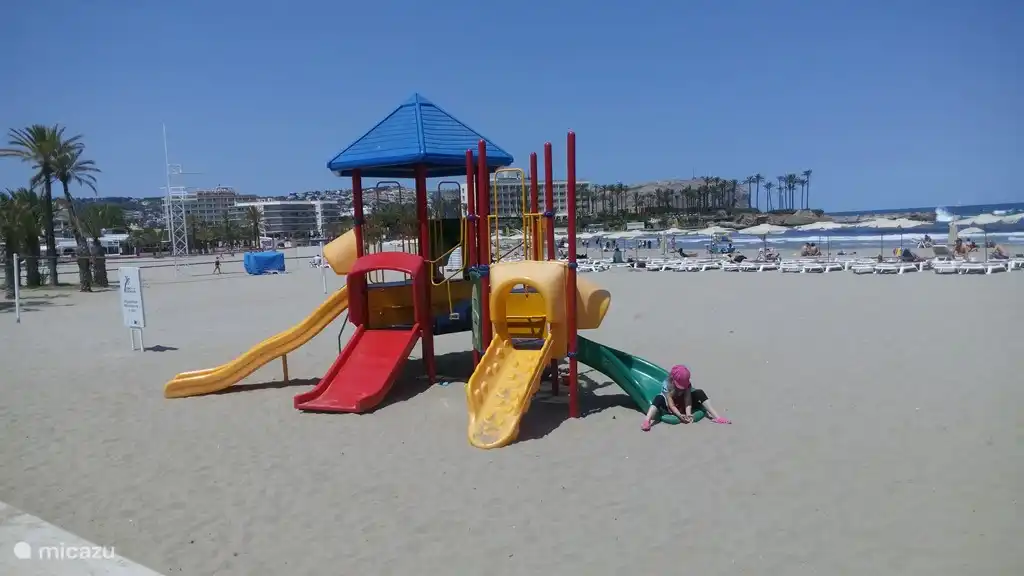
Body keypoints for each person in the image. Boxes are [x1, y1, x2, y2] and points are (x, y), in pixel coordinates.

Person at [641, 364, 731, 431]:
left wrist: (688, 413)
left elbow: (688, 399)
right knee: (658, 398)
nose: (682, 388)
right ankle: (647, 421)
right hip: (670, 405)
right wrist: (679, 415)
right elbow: (671, 404)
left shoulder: (687, 385)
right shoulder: (667, 384)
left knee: (699, 392)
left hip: (682, 403)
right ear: (673, 380)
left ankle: (717, 417)